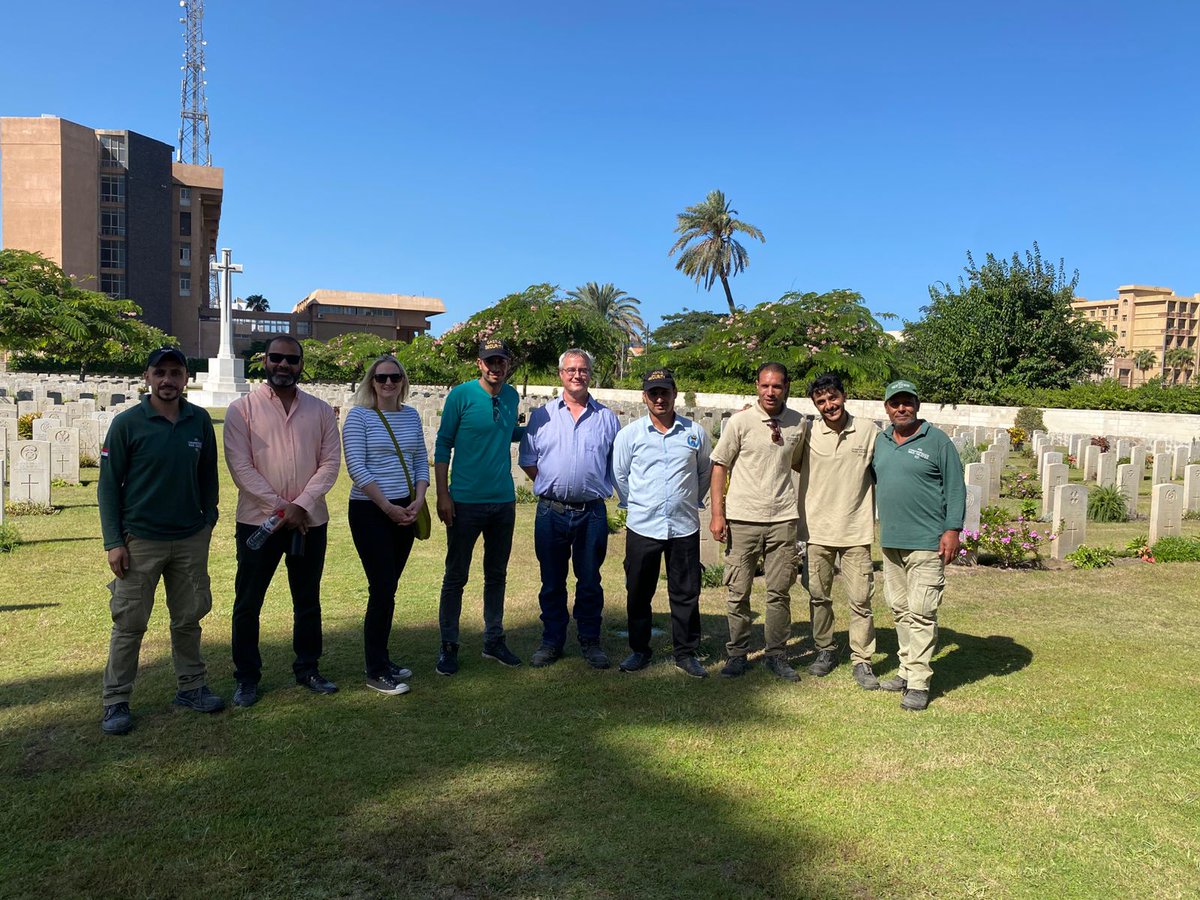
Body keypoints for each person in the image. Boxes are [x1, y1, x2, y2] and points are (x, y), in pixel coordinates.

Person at [97, 347, 223, 735]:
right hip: (141, 540)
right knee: (130, 623)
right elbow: (107, 488)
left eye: (176, 373)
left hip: (189, 539)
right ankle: (116, 700)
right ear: (148, 377)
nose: (168, 380)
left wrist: (207, 522)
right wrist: (114, 541)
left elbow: (208, 479)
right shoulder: (127, 424)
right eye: (160, 372)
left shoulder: (198, 421)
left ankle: (191, 687)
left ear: (187, 378)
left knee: (188, 618)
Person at [225, 335, 342, 706]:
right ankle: (246, 677)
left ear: (301, 365)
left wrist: (301, 505)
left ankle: (308, 667)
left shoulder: (321, 411)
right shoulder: (241, 410)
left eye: (292, 360)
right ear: (265, 361)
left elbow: (330, 464)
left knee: (307, 599)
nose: (284, 366)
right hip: (258, 522)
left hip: (309, 521)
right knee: (248, 602)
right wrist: (282, 508)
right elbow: (240, 466)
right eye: (276, 358)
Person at [519, 348, 620, 669]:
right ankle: (551, 641)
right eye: (571, 370)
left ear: (591, 374)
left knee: (589, 580)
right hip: (551, 512)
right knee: (552, 581)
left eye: (584, 370)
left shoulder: (607, 418)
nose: (578, 375)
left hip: (591, 513)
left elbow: (614, 464)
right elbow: (529, 462)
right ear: (560, 374)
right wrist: (555, 484)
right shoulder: (542, 416)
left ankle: (590, 641)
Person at [433, 338, 527, 676]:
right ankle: (449, 645)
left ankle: (493, 640)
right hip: (465, 501)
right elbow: (443, 444)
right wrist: (443, 495)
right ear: (479, 364)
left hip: (502, 500)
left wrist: (531, 431)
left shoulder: (512, 395)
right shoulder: (461, 396)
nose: (495, 367)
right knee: (456, 576)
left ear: (507, 364)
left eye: (501, 361)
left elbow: (504, 432)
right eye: (490, 361)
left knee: (497, 574)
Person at [708, 362, 806, 682]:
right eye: (765, 385)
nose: (770, 392)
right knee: (738, 590)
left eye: (777, 386)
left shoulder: (798, 424)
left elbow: (800, 463)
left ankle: (776, 654)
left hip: (782, 518)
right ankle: (737, 654)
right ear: (756, 385)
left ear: (787, 387)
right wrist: (718, 514)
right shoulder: (741, 421)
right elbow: (720, 465)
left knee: (779, 592)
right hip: (743, 518)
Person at [872, 379, 966, 712]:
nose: (901, 408)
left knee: (922, 612)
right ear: (886, 407)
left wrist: (952, 530)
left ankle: (918, 683)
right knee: (899, 608)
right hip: (891, 542)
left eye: (907, 402)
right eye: (895, 403)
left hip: (927, 542)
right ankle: (904, 669)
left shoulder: (937, 441)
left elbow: (956, 489)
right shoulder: (881, 441)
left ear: (917, 405)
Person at [612, 369, 713, 678]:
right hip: (643, 525)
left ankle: (685, 652)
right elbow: (620, 476)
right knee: (639, 591)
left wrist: (686, 500)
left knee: (685, 592)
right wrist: (642, 504)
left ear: (675, 394)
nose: (659, 398)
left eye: (664, 392)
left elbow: (704, 474)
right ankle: (639, 650)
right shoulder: (630, 435)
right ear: (644, 397)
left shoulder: (694, 433)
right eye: (653, 393)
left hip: (683, 526)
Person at [343, 355, 429, 696]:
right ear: (372, 382)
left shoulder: (410, 416)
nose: (389, 383)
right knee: (380, 588)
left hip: (406, 509)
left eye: (395, 377)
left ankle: (383, 657)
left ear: (403, 381)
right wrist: (387, 507)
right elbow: (357, 467)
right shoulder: (358, 418)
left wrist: (419, 498)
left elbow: (420, 458)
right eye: (382, 378)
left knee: (389, 587)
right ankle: (375, 670)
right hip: (370, 511)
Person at [799, 373, 882, 690]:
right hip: (818, 530)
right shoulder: (808, 433)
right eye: (821, 401)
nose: (828, 405)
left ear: (843, 396)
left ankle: (862, 661)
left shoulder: (867, 432)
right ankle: (825, 650)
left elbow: (882, 472)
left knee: (861, 600)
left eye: (833, 398)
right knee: (819, 597)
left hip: (855, 532)